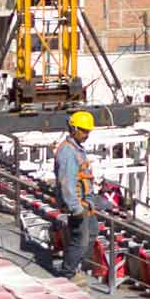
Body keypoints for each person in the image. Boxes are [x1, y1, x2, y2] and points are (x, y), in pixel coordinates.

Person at [54, 110, 100, 284]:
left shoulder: (76, 148)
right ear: (74, 129)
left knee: (92, 232)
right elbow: (66, 182)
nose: (87, 134)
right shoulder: (67, 151)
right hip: (78, 205)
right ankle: (68, 273)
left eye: (88, 131)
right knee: (80, 239)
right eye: (83, 130)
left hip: (86, 204)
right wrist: (75, 208)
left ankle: (75, 266)